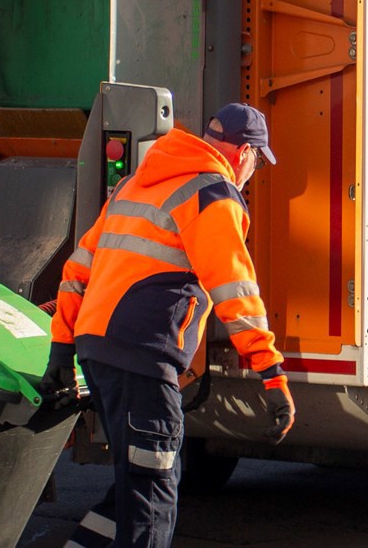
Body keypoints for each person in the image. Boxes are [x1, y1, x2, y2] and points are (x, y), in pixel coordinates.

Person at [42, 102, 295, 548]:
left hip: (98, 352)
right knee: (152, 497)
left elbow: (78, 269)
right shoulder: (212, 192)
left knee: (133, 486)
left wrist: (61, 350)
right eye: (258, 159)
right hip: (144, 357)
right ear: (243, 153)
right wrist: (270, 373)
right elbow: (235, 288)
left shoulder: (135, 184)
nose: (254, 170)